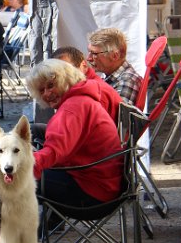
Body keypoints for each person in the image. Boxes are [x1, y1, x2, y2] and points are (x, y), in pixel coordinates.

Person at [26, 59, 124, 208]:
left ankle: (12, 230)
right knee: (31, 131)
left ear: (65, 79)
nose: (47, 93)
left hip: (94, 194)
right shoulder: (81, 98)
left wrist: (20, 167)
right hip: (106, 184)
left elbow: (54, 151)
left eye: (51, 85)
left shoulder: (72, 109)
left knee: (11, 183)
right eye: (41, 90)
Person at [51, 46, 123, 124]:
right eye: (57, 74)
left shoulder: (93, 92)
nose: (63, 77)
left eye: (67, 70)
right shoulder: (86, 87)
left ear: (84, 65)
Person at [86, 27, 142, 105]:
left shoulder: (126, 81)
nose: (88, 58)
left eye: (94, 53)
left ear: (115, 56)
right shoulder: (115, 78)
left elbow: (119, 116)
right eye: (89, 52)